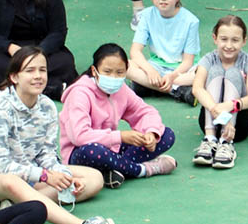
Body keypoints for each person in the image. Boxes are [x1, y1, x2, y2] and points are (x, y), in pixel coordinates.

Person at [0, 46, 116, 224]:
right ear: (15, 77)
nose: (38, 76)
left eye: (42, 70)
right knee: (11, 182)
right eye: (30, 70)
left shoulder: (47, 106)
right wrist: (44, 176)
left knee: (94, 178)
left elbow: (46, 154)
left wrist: (63, 176)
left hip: (30, 176)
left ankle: (16, 205)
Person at [59, 43, 177, 188]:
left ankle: (115, 170)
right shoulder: (80, 93)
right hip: (80, 153)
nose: (113, 77)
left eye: (120, 72)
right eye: (107, 71)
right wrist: (120, 136)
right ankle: (143, 169)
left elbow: (145, 112)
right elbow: (79, 136)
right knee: (94, 152)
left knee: (166, 135)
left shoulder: (121, 89)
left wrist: (151, 132)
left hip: (111, 149)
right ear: (94, 71)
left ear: (127, 71)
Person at [192, 15, 248, 170]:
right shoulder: (208, 59)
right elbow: (197, 88)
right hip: (210, 121)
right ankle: (209, 139)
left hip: (238, 125)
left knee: (233, 73)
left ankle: (226, 143)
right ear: (215, 39)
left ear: (244, 41)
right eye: (224, 39)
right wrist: (217, 111)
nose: (229, 45)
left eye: (235, 40)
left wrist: (228, 107)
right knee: (216, 70)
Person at [126, 0, 200, 103]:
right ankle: (178, 91)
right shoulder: (146, 16)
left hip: (183, 70)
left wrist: (172, 76)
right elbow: (135, 51)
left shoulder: (191, 21)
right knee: (125, 66)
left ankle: (149, 86)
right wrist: (150, 71)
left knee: (203, 73)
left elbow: (188, 61)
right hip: (157, 66)